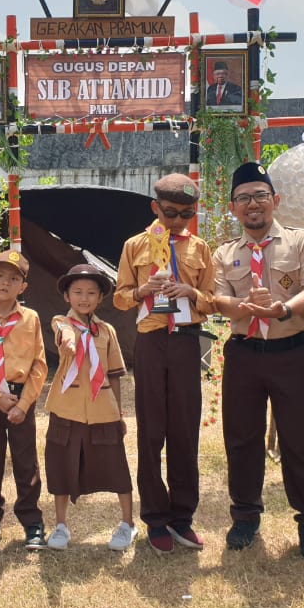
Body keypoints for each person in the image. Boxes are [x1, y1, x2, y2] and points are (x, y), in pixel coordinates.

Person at [211, 162, 304, 558]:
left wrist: (281, 310)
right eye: (243, 198)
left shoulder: (301, 242)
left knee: (301, 440)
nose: (253, 205)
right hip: (244, 355)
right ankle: (245, 517)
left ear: (275, 201)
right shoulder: (225, 252)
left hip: (289, 352)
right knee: (242, 440)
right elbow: (217, 299)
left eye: (260, 196)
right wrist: (245, 306)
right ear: (232, 208)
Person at [114, 173, 216, 554]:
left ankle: (182, 518)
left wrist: (191, 291)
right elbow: (121, 297)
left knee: (185, 431)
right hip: (152, 342)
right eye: (170, 212)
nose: (177, 221)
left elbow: (213, 298)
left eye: (186, 215)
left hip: (188, 343)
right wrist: (141, 291)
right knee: (152, 430)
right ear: (155, 207)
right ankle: (155, 518)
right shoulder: (134, 245)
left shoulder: (200, 248)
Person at [43, 265, 134, 551]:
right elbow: (63, 331)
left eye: (91, 293)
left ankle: (127, 523)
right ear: (67, 296)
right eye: (78, 292)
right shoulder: (61, 322)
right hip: (66, 408)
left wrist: (119, 413)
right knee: (60, 465)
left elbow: (116, 374)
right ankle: (60, 526)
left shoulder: (107, 331)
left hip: (102, 408)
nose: (84, 298)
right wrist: (69, 341)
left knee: (116, 466)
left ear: (99, 299)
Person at [0, 248, 49, 550]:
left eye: (13, 279)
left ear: (22, 287)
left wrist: (24, 404)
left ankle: (32, 520)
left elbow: (39, 365)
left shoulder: (30, 319)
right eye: (0, 275)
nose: (5, 283)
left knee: (26, 460)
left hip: (19, 398)